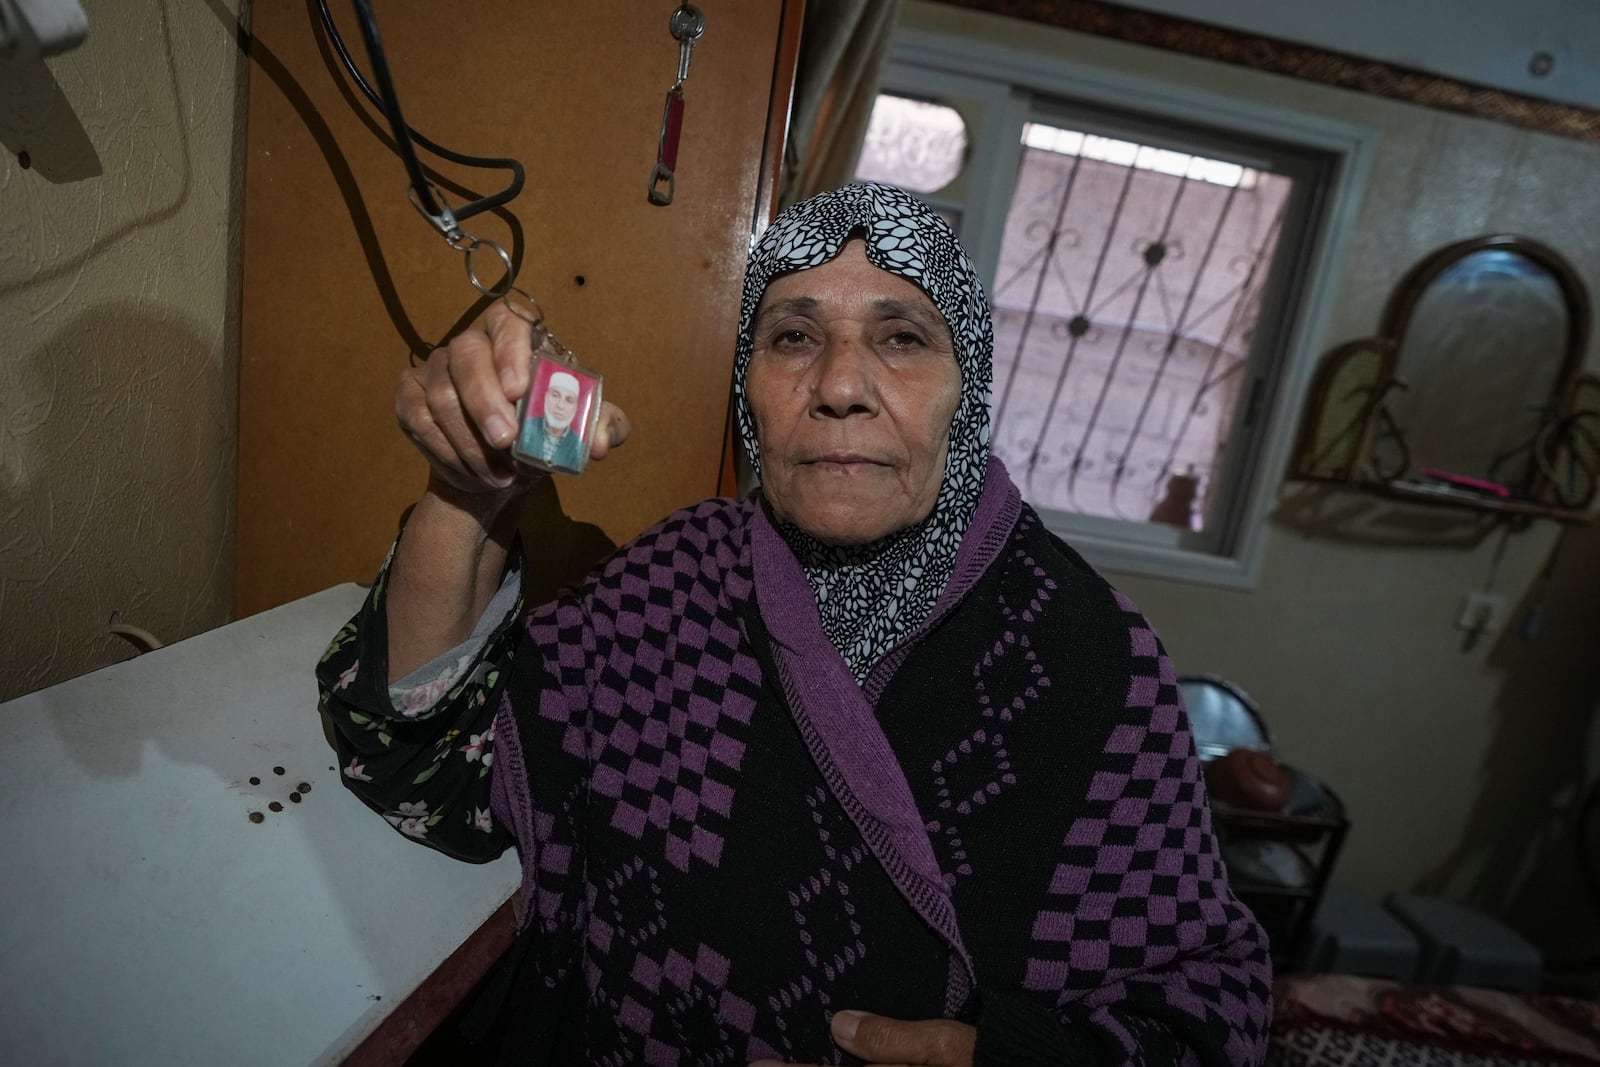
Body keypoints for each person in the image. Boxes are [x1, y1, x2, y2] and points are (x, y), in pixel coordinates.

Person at [317, 182, 1272, 1066]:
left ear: (968, 392)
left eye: (903, 337)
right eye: (792, 337)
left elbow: (1206, 1010)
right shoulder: (678, 580)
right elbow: (426, 769)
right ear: (750, 393)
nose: (841, 385)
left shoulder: (1091, 656)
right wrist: (464, 490)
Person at [516, 369, 586, 470]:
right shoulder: (525, 427)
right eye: (555, 396)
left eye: (569, 400)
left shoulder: (577, 448)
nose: (560, 405)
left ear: (576, 407)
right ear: (546, 397)